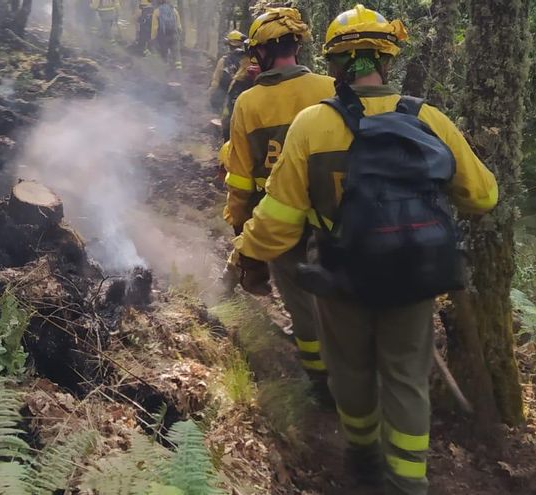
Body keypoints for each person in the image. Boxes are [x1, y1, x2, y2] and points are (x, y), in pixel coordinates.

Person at [233, 5, 499, 494]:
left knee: (351, 372)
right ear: (387, 59)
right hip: (415, 272)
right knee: (405, 377)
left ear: (335, 63)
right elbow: (483, 197)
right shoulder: (428, 118)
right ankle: (408, 483)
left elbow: (280, 219)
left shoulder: (313, 125)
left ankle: (362, 460)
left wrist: (245, 252)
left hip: (342, 274)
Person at [221, 7, 336, 403]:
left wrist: (240, 226)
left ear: (261, 53)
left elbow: (239, 177)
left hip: (277, 220)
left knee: (302, 307)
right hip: (333, 217)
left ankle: (321, 385)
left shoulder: (248, 103)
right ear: (296, 47)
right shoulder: (330, 87)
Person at [209, 30, 247, 112]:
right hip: (243, 99)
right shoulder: (247, 59)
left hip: (227, 98)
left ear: (229, 44)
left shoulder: (224, 60)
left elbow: (215, 81)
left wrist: (210, 94)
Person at [151, 0, 183, 69]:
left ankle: (165, 69)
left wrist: (153, 38)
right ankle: (178, 69)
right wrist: (179, 33)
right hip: (174, 34)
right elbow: (179, 25)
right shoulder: (174, 10)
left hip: (163, 36)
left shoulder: (156, 11)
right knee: (176, 53)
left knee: (164, 53)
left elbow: (155, 28)